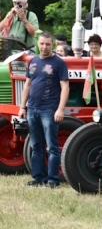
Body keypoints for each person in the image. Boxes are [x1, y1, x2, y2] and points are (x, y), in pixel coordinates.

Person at [17, 31, 69, 188]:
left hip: (49, 110)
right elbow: (27, 85)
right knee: (36, 145)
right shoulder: (32, 61)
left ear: (52, 44)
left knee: (52, 147)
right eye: (42, 44)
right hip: (32, 109)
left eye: (47, 44)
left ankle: (53, 180)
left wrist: (60, 109)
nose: (44, 47)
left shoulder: (59, 63)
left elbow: (65, 87)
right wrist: (22, 107)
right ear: (37, 44)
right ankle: (38, 178)